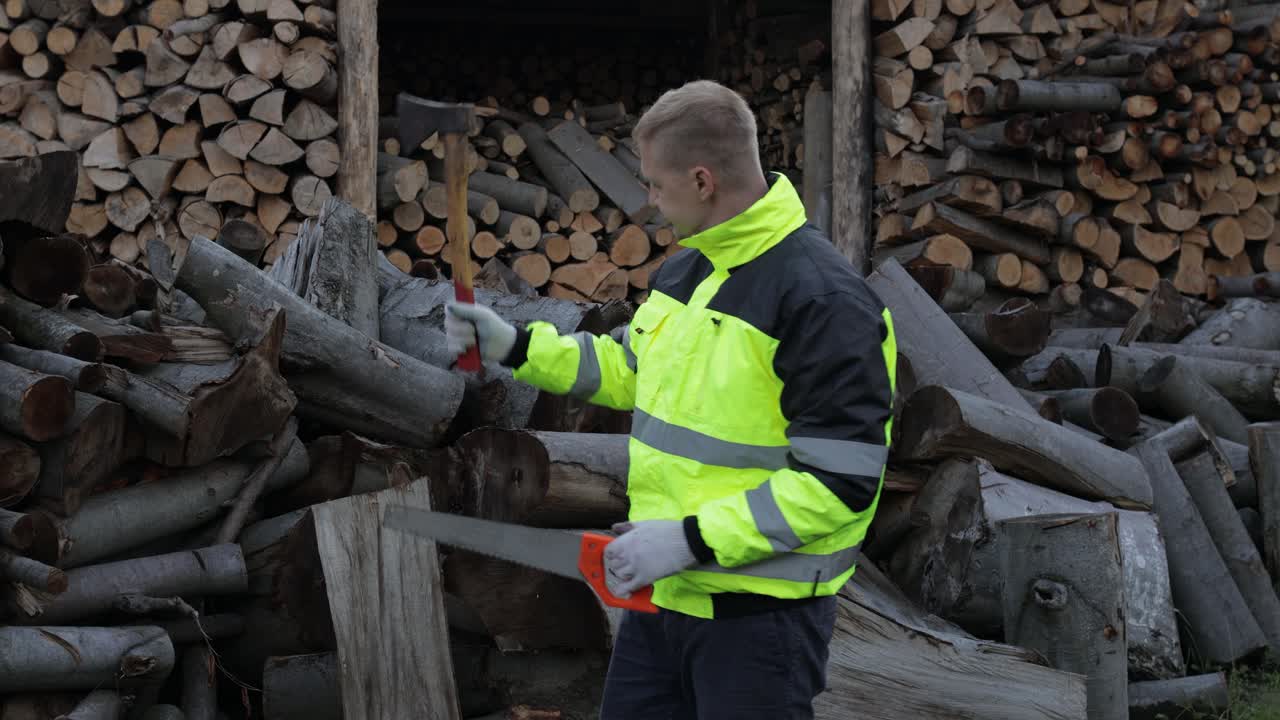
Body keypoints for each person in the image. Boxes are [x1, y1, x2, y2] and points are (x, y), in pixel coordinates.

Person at [445, 79, 897, 720]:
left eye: (657, 184)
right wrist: (515, 345)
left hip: (758, 626)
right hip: (665, 603)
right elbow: (630, 367)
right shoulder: (690, 269)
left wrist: (688, 540)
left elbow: (837, 485)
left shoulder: (822, 302)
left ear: (704, 180)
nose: (649, 202)